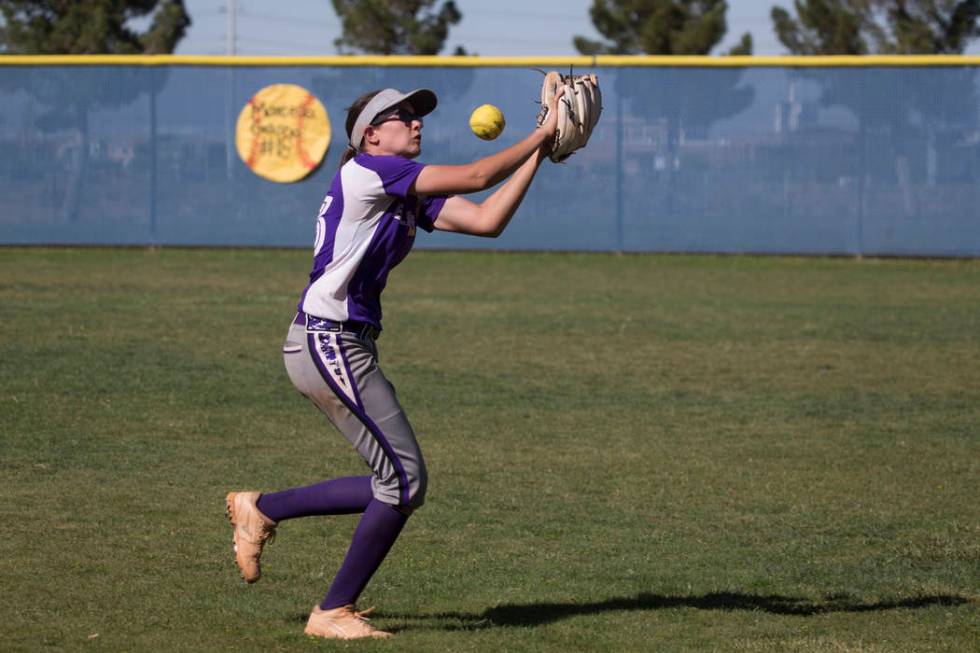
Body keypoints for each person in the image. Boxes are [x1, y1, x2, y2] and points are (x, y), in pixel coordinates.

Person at [225, 82, 564, 640]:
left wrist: (539, 156)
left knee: (397, 480)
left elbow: (485, 219)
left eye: (416, 114)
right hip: (327, 337)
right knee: (404, 480)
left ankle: (262, 509)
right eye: (401, 115)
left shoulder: (402, 188)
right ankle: (332, 612)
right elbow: (478, 175)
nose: (415, 121)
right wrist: (542, 130)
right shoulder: (367, 172)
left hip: (341, 342)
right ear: (370, 136)